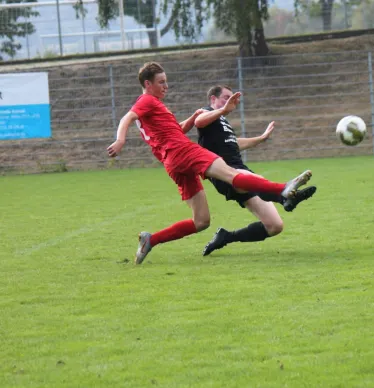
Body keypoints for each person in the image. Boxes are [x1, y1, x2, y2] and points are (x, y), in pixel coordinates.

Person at [106, 62, 312, 265]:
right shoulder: (146, 101)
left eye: (166, 81)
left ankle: (151, 240)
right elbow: (128, 117)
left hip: (172, 162)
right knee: (232, 174)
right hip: (183, 151)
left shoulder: (156, 106)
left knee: (201, 221)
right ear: (147, 84)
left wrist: (192, 117)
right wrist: (120, 139)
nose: (166, 86)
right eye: (161, 82)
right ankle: (282, 189)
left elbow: (175, 130)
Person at [195, 85, 317, 256]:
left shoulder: (222, 122)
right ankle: (284, 196)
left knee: (274, 226)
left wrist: (261, 138)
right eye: (225, 97)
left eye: (232, 98)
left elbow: (234, 144)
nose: (230, 101)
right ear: (213, 99)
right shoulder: (205, 112)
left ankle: (226, 237)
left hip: (240, 169)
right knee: (255, 179)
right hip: (224, 173)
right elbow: (198, 122)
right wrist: (223, 109)